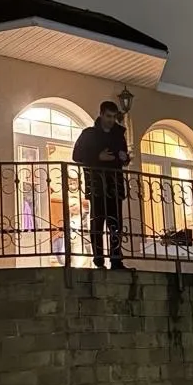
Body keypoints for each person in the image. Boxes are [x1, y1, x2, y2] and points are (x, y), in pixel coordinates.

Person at [73, 101, 130, 270]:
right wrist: (98, 157)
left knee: (116, 224)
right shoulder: (89, 134)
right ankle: (98, 260)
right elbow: (76, 155)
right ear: (101, 114)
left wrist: (124, 158)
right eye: (108, 116)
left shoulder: (119, 136)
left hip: (115, 185)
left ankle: (116, 260)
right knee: (97, 223)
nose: (111, 120)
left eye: (114, 117)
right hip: (97, 185)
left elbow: (123, 157)